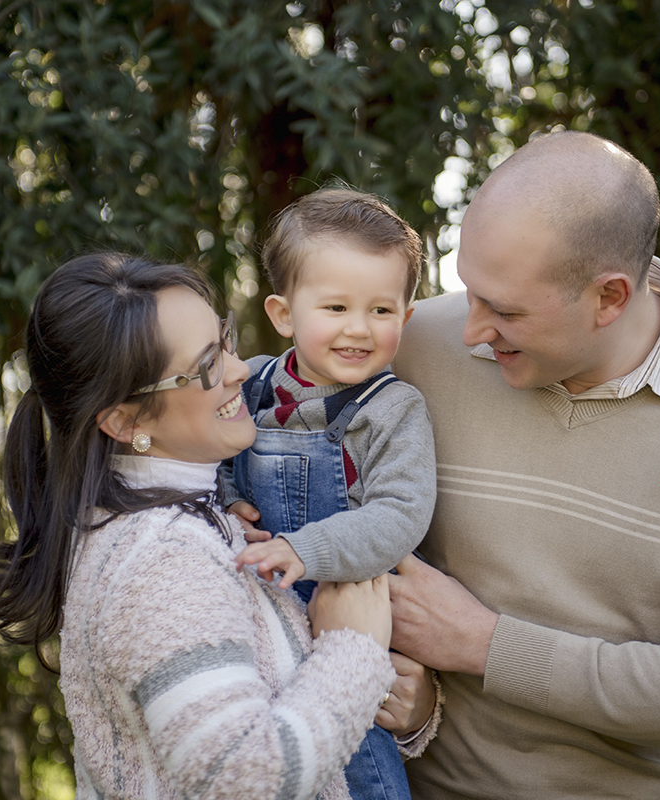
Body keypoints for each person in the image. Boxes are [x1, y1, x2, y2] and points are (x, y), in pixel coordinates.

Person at [386, 131, 660, 798]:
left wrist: (485, 644)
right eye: (468, 291)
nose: (470, 329)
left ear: (610, 297)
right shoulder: (415, 346)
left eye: (504, 310)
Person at [0, 253, 437, 799]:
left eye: (224, 340)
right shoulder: (161, 561)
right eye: (206, 367)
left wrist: (400, 700)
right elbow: (243, 778)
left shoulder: (197, 513)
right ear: (126, 421)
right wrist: (354, 651)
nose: (241, 370)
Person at [219, 187, 438, 800]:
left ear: (406, 317)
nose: (358, 330)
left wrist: (306, 548)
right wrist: (232, 496)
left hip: (350, 626)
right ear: (284, 314)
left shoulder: (390, 409)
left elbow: (401, 514)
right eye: (336, 308)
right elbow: (216, 454)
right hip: (264, 622)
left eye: (381, 311)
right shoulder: (256, 385)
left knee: (361, 765)